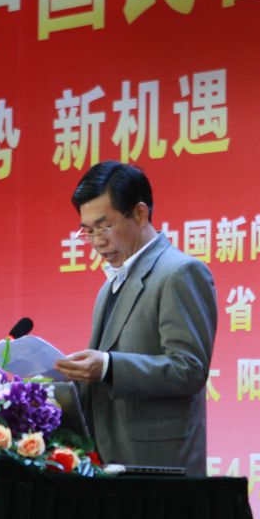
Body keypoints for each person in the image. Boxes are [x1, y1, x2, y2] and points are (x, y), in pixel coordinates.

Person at [53, 161, 218, 476]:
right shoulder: (109, 286)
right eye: (87, 231)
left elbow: (190, 369)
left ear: (140, 214)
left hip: (158, 467)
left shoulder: (179, 272)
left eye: (104, 226)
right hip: (107, 463)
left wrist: (108, 366)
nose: (97, 241)